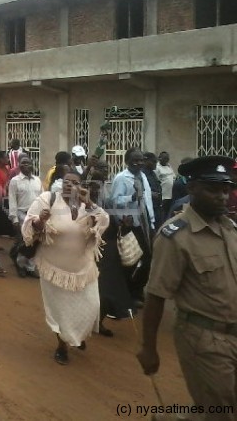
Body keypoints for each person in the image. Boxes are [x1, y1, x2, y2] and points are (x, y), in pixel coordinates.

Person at [137, 156, 237, 421]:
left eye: (226, 189)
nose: (222, 197)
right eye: (213, 189)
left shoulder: (230, 229)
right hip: (203, 338)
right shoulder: (176, 236)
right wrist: (149, 348)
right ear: (192, 188)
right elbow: (156, 295)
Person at [22, 171, 109, 365]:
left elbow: (104, 222)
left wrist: (90, 204)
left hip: (83, 269)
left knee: (92, 306)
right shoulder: (48, 199)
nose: (70, 185)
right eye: (66, 181)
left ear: (81, 186)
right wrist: (40, 221)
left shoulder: (88, 206)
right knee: (60, 311)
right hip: (54, 268)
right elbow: (28, 226)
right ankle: (62, 346)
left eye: (75, 182)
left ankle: (77, 336)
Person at [109, 148, 156, 305]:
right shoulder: (121, 178)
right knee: (134, 259)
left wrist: (152, 221)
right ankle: (130, 293)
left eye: (141, 160)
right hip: (131, 224)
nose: (139, 163)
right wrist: (132, 197)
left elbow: (147, 200)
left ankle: (137, 290)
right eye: (135, 160)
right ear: (127, 161)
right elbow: (114, 201)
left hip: (146, 223)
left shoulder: (142, 176)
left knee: (148, 259)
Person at [8, 156, 42, 278]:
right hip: (22, 215)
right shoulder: (15, 181)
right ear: (19, 165)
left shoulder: (37, 180)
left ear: (32, 165)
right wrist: (14, 219)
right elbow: (12, 200)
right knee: (24, 242)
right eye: (23, 163)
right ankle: (21, 266)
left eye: (28, 163)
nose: (25, 165)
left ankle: (31, 267)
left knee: (35, 242)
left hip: (36, 216)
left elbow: (42, 198)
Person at [143, 152, 163, 230]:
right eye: (153, 161)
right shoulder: (142, 174)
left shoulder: (153, 173)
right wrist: (150, 194)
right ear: (146, 161)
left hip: (157, 207)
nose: (156, 164)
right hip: (148, 208)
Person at [155, 151, 175, 219]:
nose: (166, 161)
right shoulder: (157, 168)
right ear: (159, 158)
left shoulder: (168, 166)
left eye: (167, 159)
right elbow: (156, 181)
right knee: (162, 211)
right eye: (165, 159)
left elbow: (173, 176)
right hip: (163, 194)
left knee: (169, 211)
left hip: (171, 193)